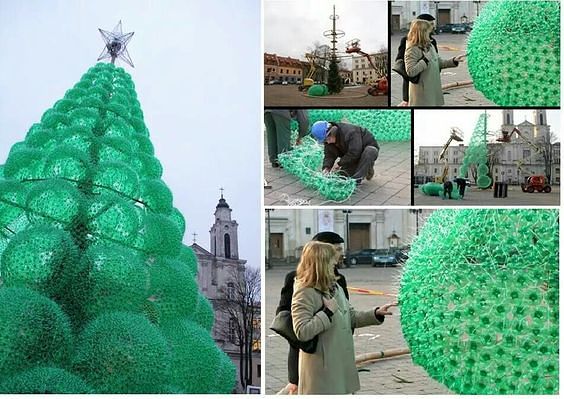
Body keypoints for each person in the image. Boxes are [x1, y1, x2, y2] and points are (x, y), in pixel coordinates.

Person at [291, 241, 396, 394]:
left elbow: (351, 317)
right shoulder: (304, 291)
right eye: (331, 262)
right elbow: (301, 331)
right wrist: (327, 313)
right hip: (322, 373)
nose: (335, 266)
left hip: (340, 365)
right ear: (320, 264)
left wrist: (375, 313)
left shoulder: (335, 287)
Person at [276, 232, 349, 395]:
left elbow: (346, 314)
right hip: (307, 352)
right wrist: (307, 344)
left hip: (335, 353)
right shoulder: (296, 279)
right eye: (336, 250)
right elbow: (284, 316)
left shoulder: (339, 280)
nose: (340, 255)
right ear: (321, 252)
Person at [404, 19, 465, 106]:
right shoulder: (412, 49)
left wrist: (454, 60)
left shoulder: (430, 46)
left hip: (434, 90)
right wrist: (425, 60)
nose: (431, 33)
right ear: (422, 33)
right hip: (422, 95)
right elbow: (410, 71)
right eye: (428, 31)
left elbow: (439, 63)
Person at [311, 120, 379, 185]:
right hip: (350, 155)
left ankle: (356, 181)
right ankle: (365, 167)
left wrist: (339, 164)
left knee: (370, 151)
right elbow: (329, 155)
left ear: (332, 132)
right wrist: (326, 168)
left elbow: (354, 153)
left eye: (327, 139)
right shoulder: (329, 141)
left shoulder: (351, 132)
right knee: (342, 176)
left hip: (365, 151)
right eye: (325, 141)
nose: (327, 142)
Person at [395, 13, 438, 106]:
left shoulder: (432, 41)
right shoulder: (406, 41)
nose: (433, 27)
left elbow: (436, 60)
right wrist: (410, 76)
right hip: (413, 80)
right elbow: (400, 60)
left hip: (429, 80)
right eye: (431, 24)